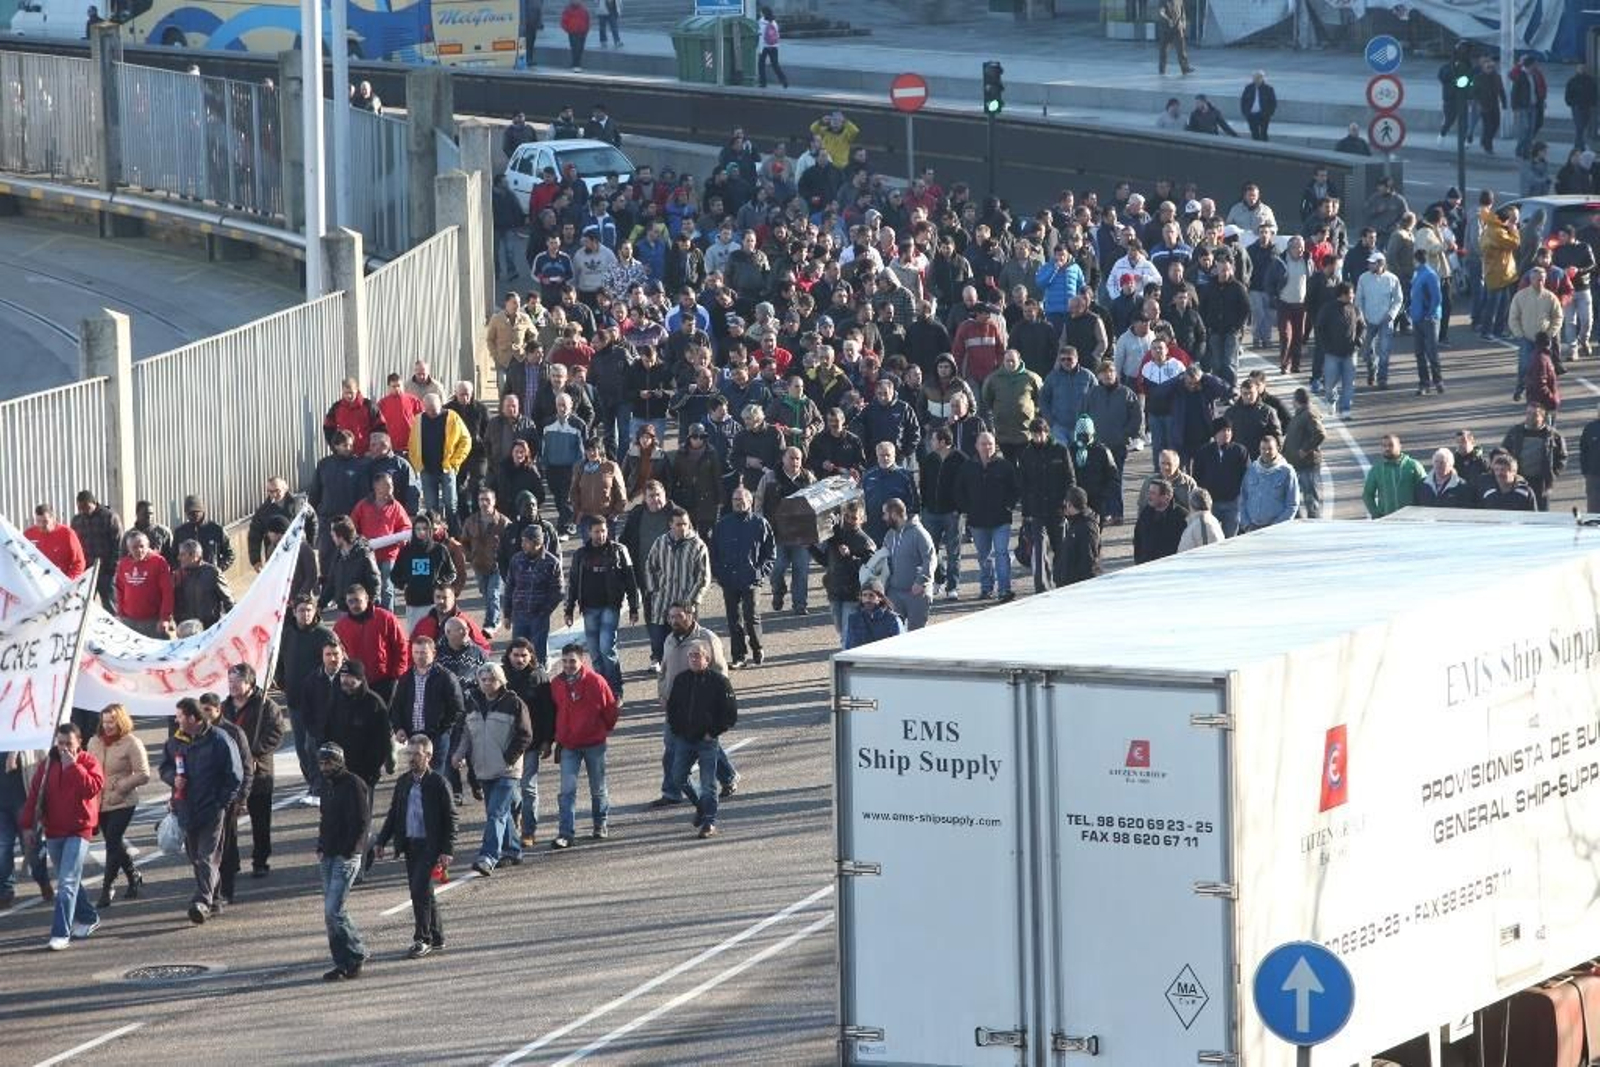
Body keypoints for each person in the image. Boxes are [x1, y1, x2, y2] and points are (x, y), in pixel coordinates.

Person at [21, 724, 103, 950]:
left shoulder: (88, 761)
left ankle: (60, 933)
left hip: (79, 830)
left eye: (69, 743)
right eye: (60, 743)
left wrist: (74, 767)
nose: (64, 748)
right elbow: (35, 796)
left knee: (66, 883)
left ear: (79, 742)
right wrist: (28, 826)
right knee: (71, 879)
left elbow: (93, 789)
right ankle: (88, 916)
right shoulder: (47, 765)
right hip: (54, 831)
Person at [375, 735, 457, 959]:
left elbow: (450, 818)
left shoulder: (439, 783)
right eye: (408, 753)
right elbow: (393, 815)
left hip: (430, 845)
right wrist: (381, 841)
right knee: (425, 892)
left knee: (418, 890)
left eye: (416, 754)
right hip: (410, 844)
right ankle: (437, 934)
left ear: (428, 756)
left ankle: (423, 938)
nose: (411, 758)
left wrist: (447, 850)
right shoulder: (403, 782)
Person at [166, 697, 242, 925]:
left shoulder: (219, 739)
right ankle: (215, 897)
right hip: (187, 808)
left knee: (206, 856)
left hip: (211, 808)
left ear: (192, 717)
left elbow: (235, 775)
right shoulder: (176, 741)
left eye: (180, 716)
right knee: (194, 856)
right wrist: (173, 779)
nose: (176, 720)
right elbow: (165, 767)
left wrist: (221, 802)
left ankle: (202, 901)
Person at [454, 663, 533, 875]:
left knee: (495, 813)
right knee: (501, 813)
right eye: (483, 680)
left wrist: (509, 758)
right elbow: (466, 734)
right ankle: (513, 850)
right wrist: (459, 754)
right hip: (483, 768)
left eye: (491, 679)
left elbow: (525, 735)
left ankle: (488, 856)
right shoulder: (472, 703)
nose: (487, 683)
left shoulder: (514, 703)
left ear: (501, 680)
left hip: (507, 771)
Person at [549, 643, 619, 849]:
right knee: (567, 791)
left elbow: (610, 710)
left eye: (572, 661)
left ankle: (600, 825)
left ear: (582, 661)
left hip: (594, 744)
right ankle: (565, 833)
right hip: (569, 745)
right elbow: (554, 710)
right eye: (565, 661)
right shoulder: (557, 683)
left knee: (597, 788)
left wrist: (601, 730)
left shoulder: (596, 682)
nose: (568, 665)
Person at [666, 643, 739, 839]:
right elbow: (672, 708)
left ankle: (709, 822)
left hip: (707, 740)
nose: (694, 659)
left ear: (707, 659)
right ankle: (701, 805)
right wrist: (677, 729)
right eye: (691, 656)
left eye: (698, 656)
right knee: (678, 777)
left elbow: (730, 713)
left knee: (709, 783)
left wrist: (713, 732)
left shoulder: (719, 682)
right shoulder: (681, 680)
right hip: (685, 739)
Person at [563, 516, 640, 694]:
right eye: (597, 531)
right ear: (589, 532)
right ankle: (601, 688)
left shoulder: (619, 551)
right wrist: (569, 610)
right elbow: (573, 583)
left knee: (606, 648)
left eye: (604, 531)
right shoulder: (580, 555)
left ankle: (615, 689)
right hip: (589, 608)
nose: (601, 535)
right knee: (595, 653)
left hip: (610, 606)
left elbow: (630, 580)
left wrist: (633, 607)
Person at [220, 664, 283, 880]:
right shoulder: (224, 708)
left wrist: (254, 753)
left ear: (250, 683)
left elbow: (275, 733)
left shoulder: (266, 705)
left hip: (259, 771)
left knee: (260, 820)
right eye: (230, 682)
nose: (233, 686)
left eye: (237, 682)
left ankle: (260, 860)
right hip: (229, 773)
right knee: (228, 822)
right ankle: (231, 860)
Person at [314, 742, 369, 981]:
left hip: (346, 857)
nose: (325, 767)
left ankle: (356, 952)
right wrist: (321, 845)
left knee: (333, 909)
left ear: (339, 761)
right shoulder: (326, 788)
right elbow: (325, 819)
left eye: (329, 762)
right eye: (322, 762)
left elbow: (361, 822)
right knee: (332, 914)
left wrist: (351, 850)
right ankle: (343, 962)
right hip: (328, 854)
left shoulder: (354, 785)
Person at [711, 486, 777, 667]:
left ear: (750, 501)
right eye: (735, 500)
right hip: (729, 579)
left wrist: (759, 572)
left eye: (742, 500)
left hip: (751, 579)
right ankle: (739, 656)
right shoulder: (723, 525)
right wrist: (719, 574)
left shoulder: (760, 523)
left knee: (751, 616)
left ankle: (757, 647)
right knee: (734, 619)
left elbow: (770, 554)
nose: (739, 503)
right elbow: (713, 553)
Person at [956, 431, 1019, 603]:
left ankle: (1005, 589)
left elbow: (1015, 490)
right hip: (977, 521)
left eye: (990, 443)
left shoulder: (1005, 466)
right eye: (983, 443)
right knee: (984, 556)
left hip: (1001, 519)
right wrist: (967, 509)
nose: (987, 447)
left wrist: (1008, 506)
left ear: (995, 445)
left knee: (1001, 553)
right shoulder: (968, 467)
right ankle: (986, 588)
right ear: (976, 446)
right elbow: (959, 491)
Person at [333, 583, 410, 704]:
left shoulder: (386, 618)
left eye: (357, 600)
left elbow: (401, 647)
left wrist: (397, 676)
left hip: (384, 681)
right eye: (350, 602)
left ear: (367, 599)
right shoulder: (340, 627)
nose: (354, 605)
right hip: (355, 684)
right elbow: (337, 655)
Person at [1503, 404, 1568, 510]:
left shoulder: (1552, 435)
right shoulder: (1515, 432)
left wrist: (1553, 474)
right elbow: (1504, 453)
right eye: (1528, 413)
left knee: (1541, 514)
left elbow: (1562, 457)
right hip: (1518, 481)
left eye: (1535, 414)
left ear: (1542, 417)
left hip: (1541, 483)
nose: (1530, 417)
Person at [1315, 281, 1362, 420]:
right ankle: (1331, 400)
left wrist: (1359, 341)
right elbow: (1320, 328)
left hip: (1350, 353)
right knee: (1330, 383)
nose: (1353, 296)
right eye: (1351, 293)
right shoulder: (1328, 309)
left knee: (1349, 383)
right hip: (1332, 353)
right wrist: (1326, 346)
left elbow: (1362, 326)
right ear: (1342, 294)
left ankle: (1345, 409)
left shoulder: (1355, 309)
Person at [1237, 432, 1300, 532]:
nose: (1266, 452)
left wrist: (1275, 527)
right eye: (1263, 448)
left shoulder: (1287, 472)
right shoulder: (1253, 469)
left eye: (1270, 448)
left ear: (1277, 449)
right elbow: (1242, 499)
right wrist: (1246, 524)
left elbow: (1292, 505)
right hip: (1252, 529)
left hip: (1276, 530)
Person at [115, 531, 174, 637]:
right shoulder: (123, 564)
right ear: (128, 548)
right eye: (134, 547)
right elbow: (119, 590)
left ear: (148, 546)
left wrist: (164, 618)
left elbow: (167, 592)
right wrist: (120, 614)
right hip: (129, 620)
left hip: (153, 621)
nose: (139, 550)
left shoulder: (159, 562)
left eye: (142, 546)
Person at [1282, 389, 1325, 519]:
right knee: (1293, 497)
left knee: (1311, 499)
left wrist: (1305, 450)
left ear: (1296, 401)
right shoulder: (1301, 414)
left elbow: (1320, 434)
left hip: (1307, 464)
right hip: (1297, 464)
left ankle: (1315, 524)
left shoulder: (1308, 414)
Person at [172, 539, 234, 630]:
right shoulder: (178, 575)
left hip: (211, 628)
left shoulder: (212, 572)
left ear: (194, 555)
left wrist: (232, 624)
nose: (179, 558)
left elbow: (229, 601)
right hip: (188, 629)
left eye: (182, 555)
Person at [1362, 434, 1427, 518]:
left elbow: (1426, 491)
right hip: (1386, 521)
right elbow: (1367, 494)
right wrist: (1376, 514)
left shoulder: (1413, 466)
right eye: (1384, 446)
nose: (1387, 448)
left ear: (1400, 446)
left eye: (1391, 445)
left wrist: (1422, 513)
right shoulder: (1377, 469)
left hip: (1411, 520)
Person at [1054, 487, 1101, 586]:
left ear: (1070, 504)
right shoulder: (1076, 522)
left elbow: (1088, 561)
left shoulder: (1085, 528)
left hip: (1075, 586)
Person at [1133, 479, 1187, 563]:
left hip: (1170, 566)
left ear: (1166, 497)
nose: (1149, 496)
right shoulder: (1146, 512)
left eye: (1153, 493)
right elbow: (1138, 538)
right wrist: (1139, 560)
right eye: (1149, 492)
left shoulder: (1181, 516)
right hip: (1146, 565)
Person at [25, 504, 86, 577]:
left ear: (53, 518)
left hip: (60, 583)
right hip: (37, 583)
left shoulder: (67, 534)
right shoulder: (29, 534)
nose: (41, 525)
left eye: (45, 521)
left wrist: (69, 582)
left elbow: (79, 562)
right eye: (38, 521)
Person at [843, 580, 906, 649]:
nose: (867, 599)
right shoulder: (853, 619)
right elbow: (848, 647)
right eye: (864, 595)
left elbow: (899, 647)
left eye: (871, 595)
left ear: (880, 598)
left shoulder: (893, 619)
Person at [1155, 0, 1192, 76]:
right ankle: (1162, 70)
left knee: (1181, 49)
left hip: (1177, 27)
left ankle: (1185, 68)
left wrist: (1183, 22)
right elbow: (1161, 12)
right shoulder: (1163, 1)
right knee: (1163, 51)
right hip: (1166, 29)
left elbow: (1182, 11)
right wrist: (1168, 20)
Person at [757, 6, 789, 90]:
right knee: (775, 64)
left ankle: (763, 83)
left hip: (764, 46)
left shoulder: (761, 21)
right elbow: (777, 34)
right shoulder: (774, 22)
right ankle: (783, 80)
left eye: (761, 12)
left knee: (761, 64)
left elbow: (759, 33)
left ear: (763, 13)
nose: (760, 13)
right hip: (774, 46)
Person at [1240, 71, 1276, 142]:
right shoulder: (1248, 88)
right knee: (1254, 134)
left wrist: (1269, 113)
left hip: (1263, 115)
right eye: (1255, 77)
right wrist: (1245, 112)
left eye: (1258, 77)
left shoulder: (1268, 89)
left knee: (1263, 134)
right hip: (1251, 115)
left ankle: (1265, 149)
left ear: (1262, 78)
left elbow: (1273, 103)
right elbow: (1243, 101)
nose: (1256, 79)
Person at [559, 0, 589, 70]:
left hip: (582, 32)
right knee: (575, 48)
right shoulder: (568, 10)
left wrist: (586, 30)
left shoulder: (584, 9)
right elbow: (563, 21)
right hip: (573, 32)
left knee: (580, 48)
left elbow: (587, 20)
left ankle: (576, 63)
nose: (576, 1)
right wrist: (568, 29)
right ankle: (576, 64)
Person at [1581, 404, 1600, 512]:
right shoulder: (1590, 428)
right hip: (1594, 476)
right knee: (1594, 510)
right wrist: (1586, 472)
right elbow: (1583, 450)